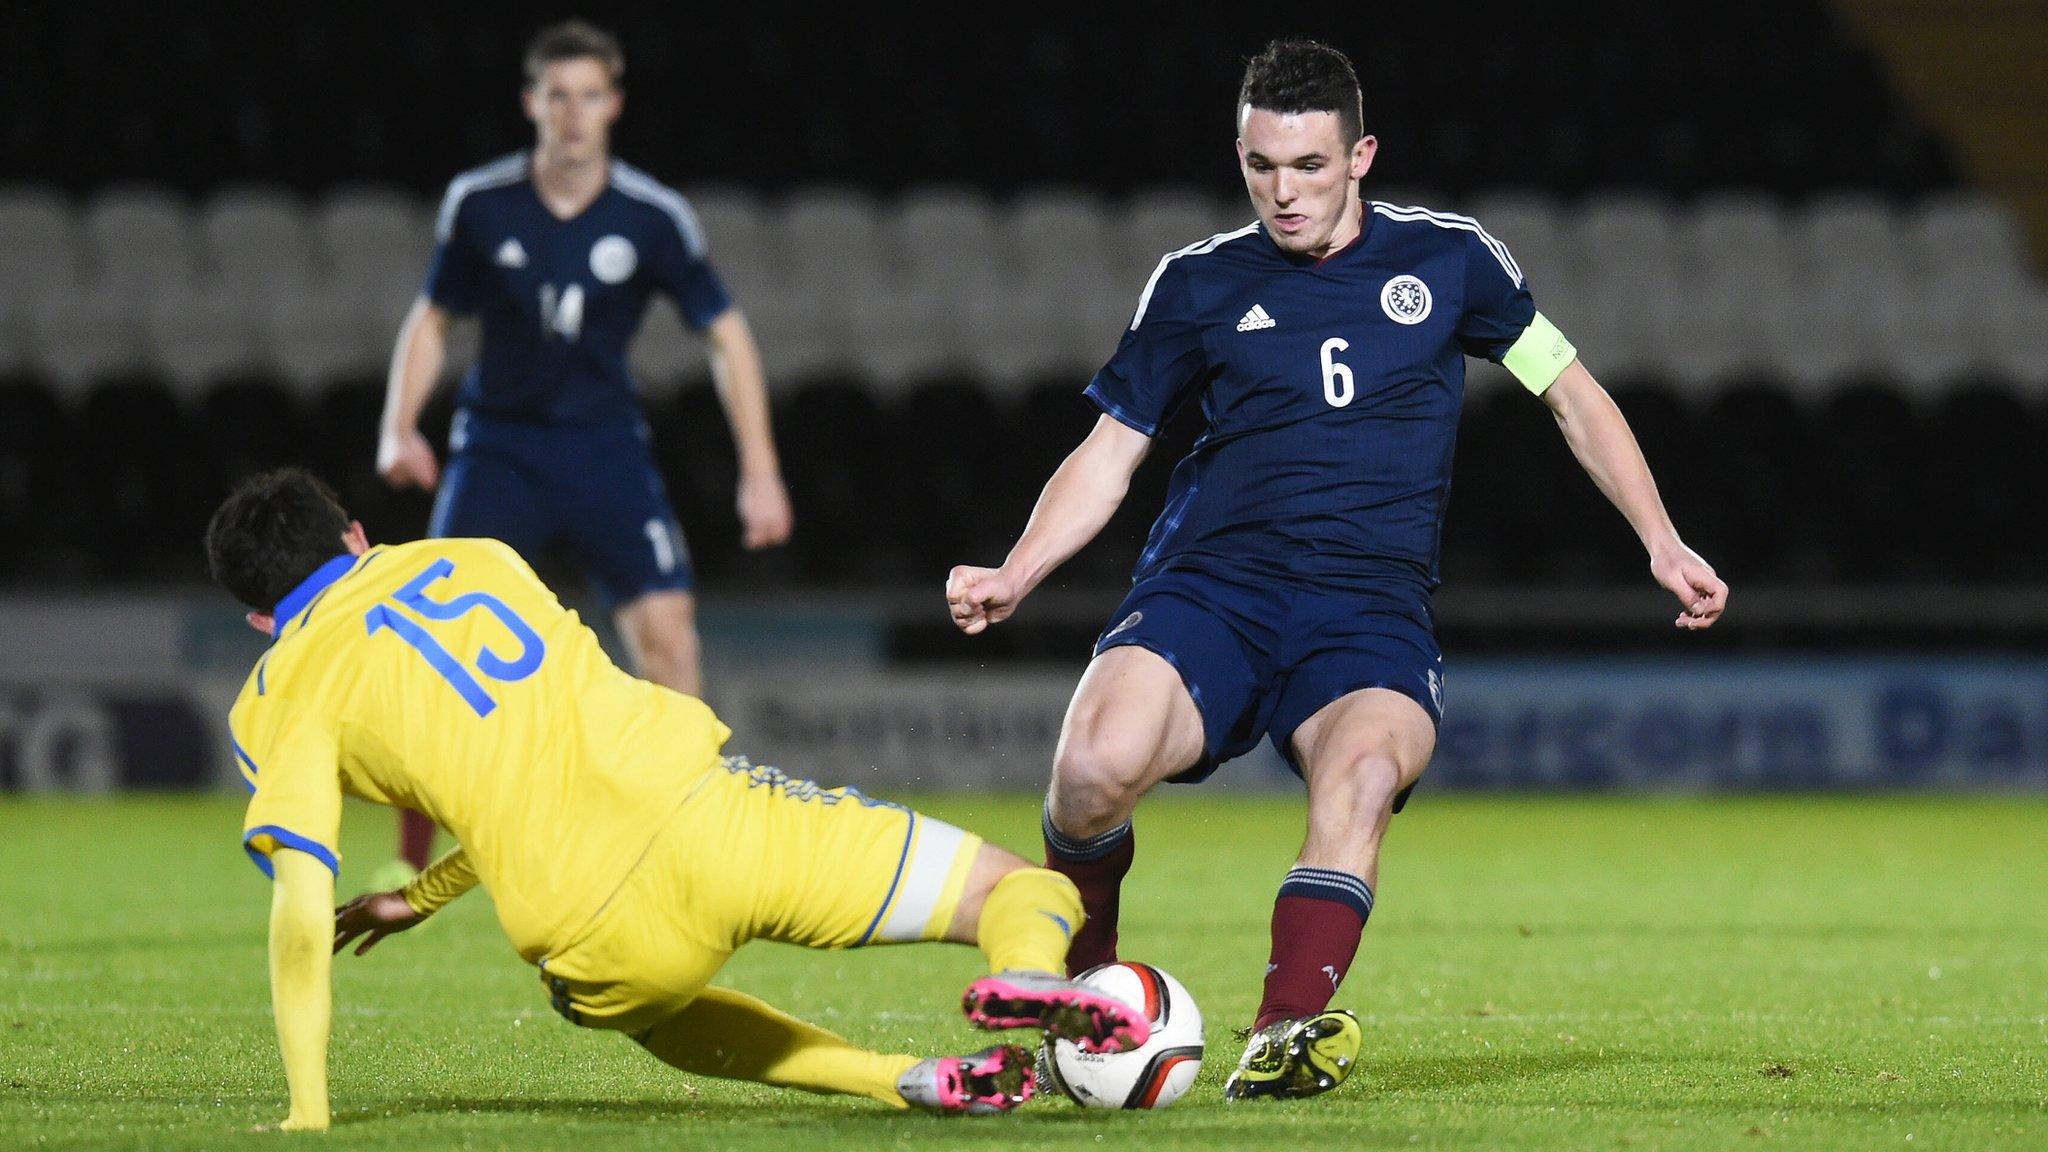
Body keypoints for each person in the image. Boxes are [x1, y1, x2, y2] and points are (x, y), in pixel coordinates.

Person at [945, 38, 1729, 1102]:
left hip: (1367, 615)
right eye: (1260, 166)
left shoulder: (1452, 262)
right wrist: (1018, 568)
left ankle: (1280, 1036)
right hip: (1210, 593)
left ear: (1360, 155)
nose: (1283, 191)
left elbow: (1570, 393)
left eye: (1308, 166)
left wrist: (1659, 537)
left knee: (1359, 777)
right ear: (1238, 155)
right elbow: (1110, 451)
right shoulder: (1195, 282)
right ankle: (1086, 998)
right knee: (1088, 775)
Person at [205, 469, 1146, 1131]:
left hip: (592, 933)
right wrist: (416, 899)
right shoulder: (476, 558)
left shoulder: (276, 696)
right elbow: (532, 745)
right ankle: (1033, 974)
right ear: (356, 537)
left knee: (640, 1013)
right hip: (712, 820)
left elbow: (300, 900)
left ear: (259, 619)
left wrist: (309, 1108)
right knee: (1020, 891)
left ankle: (900, 1080)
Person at [375, 20, 792, 878]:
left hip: (605, 451)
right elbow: (433, 319)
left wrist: (761, 471)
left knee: (670, 640)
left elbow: (728, 338)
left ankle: (688, 843)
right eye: (556, 96)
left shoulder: (651, 217)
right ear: (532, 103)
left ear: (615, 106)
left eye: (589, 96)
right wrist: (399, 424)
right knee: (429, 649)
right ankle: (412, 860)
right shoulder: (481, 205)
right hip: (496, 448)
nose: (572, 114)